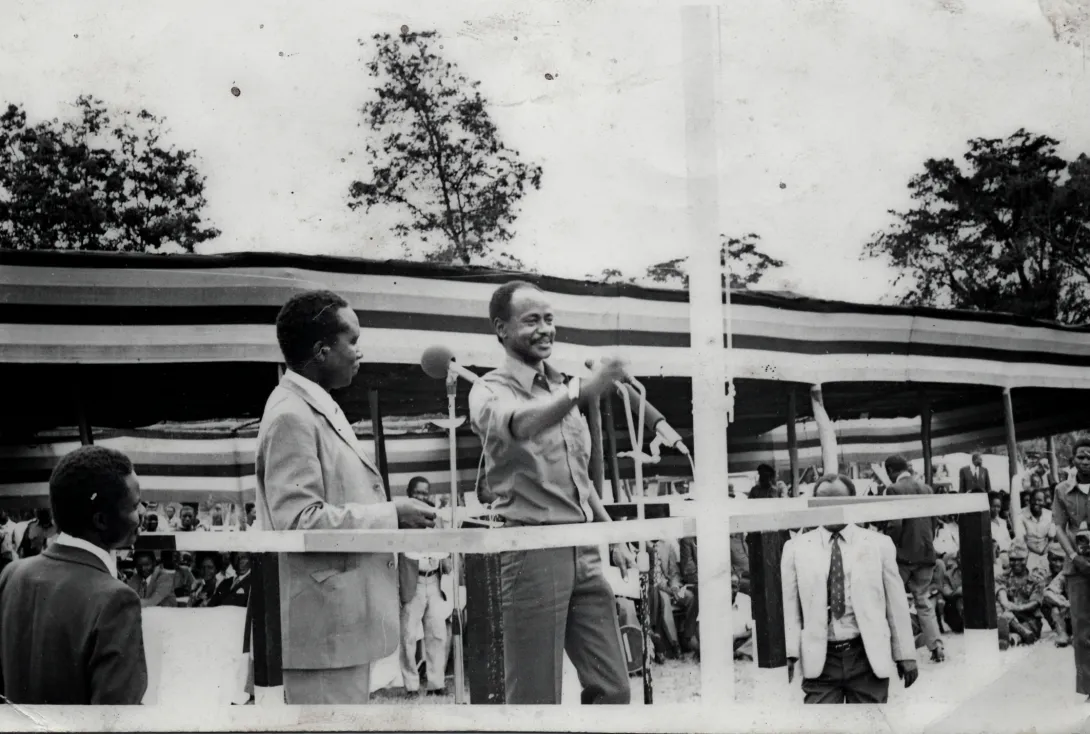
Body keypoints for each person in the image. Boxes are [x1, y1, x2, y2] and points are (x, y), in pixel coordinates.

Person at [255, 290, 436, 705]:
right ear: (321, 351)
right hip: (321, 633)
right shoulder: (291, 415)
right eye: (352, 342)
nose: (359, 352)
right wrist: (392, 515)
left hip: (338, 626)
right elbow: (301, 521)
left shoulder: (316, 407)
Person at [468, 280, 635, 705]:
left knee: (614, 689)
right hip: (533, 552)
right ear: (501, 329)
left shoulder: (560, 388)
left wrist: (610, 533)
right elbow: (522, 424)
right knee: (535, 696)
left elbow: (579, 478)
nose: (545, 329)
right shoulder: (489, 390)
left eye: (549, 319)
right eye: (532, 321)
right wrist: (580, 390)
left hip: (584, 549)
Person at [0, 445, 147, 704]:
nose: (143, 512)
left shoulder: (13, 574)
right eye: (135, 505)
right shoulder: (117, 600)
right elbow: (116, 721)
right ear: (101, 521)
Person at [780, 473, 917, 704]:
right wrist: (790, 653)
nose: (831, 509)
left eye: (839, 502)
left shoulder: (878, 545)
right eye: (823, 502)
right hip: (821, 659)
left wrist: (905, 654)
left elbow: (896, 604)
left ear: (853, 502)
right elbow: (790, 605)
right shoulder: (796, 548)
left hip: (867, 656)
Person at [883, 455, 945, 663]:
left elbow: (895, 524)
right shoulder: (926, 488)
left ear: (891, 470)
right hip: (926, 554)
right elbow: (934, 521)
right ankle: (936, 647)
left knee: (894, 601)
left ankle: (900, 651)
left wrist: (889, 545)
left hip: (902, 557)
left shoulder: (894, 490)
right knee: (923, 601)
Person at [397, 477, 451, 695]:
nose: (422, 497)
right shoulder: (401, 521)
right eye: (418, 493)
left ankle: (436, 684)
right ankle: (410, 686)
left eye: (425, 493)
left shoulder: (435, 518)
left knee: (437, 634)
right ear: (409, 493)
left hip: (435, 582)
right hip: (413, 583)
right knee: (408, 636)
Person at [1051, 439, 1090, 700]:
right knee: (1082, 628)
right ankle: (1088, 688)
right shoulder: (1062, 490)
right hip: (1077, 568)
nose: (1086, 461)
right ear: (1072, 460)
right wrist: (1075, 556)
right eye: (1081, 457)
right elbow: (1060, 528)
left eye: (1089, 457)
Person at [996, 541, 1047, 646]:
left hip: (1029, 619)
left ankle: (1013, 636)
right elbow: (1000, 593)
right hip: (1008, 616)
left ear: (1026, 559)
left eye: (1020, 560)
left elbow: (1035, 603)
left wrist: (1017, 608)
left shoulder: (1036, 579)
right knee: (1003, 619)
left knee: (1024, 627)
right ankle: (1013, 638)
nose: (1016, 563)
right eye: (1013, 560)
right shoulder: (1002, 577)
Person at [1043, 542, 1072, 647]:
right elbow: (1047, 593)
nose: (1058, 564)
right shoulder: (1062, 574)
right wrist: (1064, 603)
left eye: (1061, 560)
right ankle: (1062, 633)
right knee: (1052, 605)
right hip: (1064, 613)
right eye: (1054, 560)